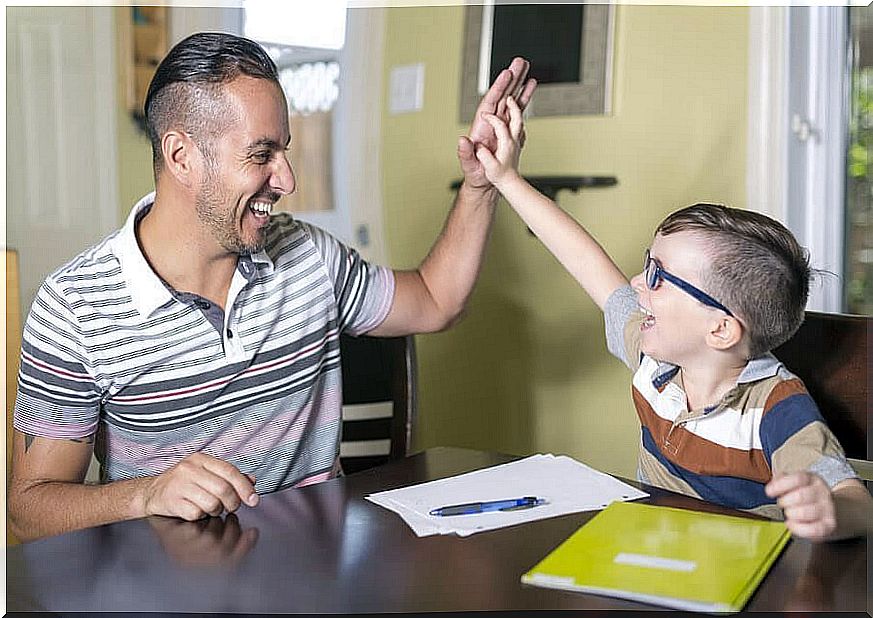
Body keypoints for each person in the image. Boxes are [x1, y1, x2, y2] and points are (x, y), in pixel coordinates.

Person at [8, 32, 536, 541]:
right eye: (261, 155)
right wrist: (146, 495)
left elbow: (436, 300)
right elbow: (29, 510)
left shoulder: (306, 254)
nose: (286, 180)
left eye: (283, 151)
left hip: (317, 581)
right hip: (167, 592)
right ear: (181, 157)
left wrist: (481, 184)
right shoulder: (74, 306)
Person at [472, 97, 872, 542]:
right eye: (648, 265)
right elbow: (586, 261)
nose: (635, 284)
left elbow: (859, 504)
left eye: (658, 276)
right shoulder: (656, 360)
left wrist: (829, 511)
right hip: (653, 554)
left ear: (720, 329)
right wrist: (506, 178)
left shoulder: (776, 409)